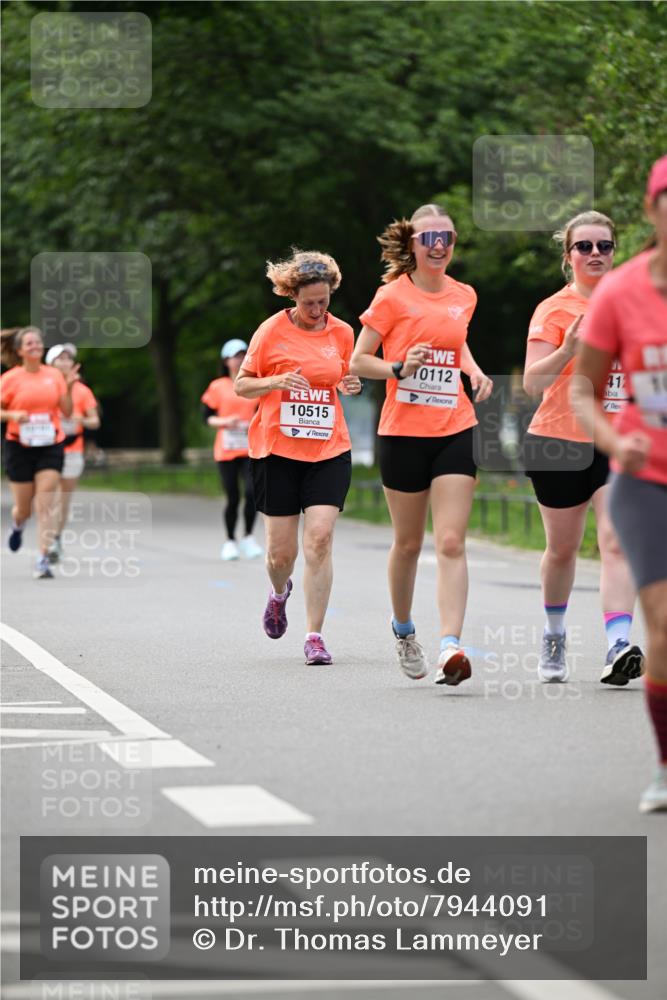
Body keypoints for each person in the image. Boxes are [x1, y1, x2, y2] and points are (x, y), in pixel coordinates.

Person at [350, 204, 493, 685]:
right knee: (409, 543)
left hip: (455, 425)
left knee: (450, 540)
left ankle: (451, 645)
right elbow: (358, 361)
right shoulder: (391, 296)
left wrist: (472, 369)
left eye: (446, 237)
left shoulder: (464, 295)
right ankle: (404, 630)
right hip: (403, 433)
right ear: (413, 243)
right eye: (429, 237)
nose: (438, 246)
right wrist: (397, 368)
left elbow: (455, 340)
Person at [572, 155, 667, 813]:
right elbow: (581, 388)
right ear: (651, 210)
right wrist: (611, 442)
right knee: (661, 619)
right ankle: (664, 765)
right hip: (644, 476)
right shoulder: (621, 291)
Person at [522, 211, 644, 685]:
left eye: (604, 246)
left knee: (617, 541)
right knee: (561, 550)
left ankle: (618, 644)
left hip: (616, 442)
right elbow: (532, 383)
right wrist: (567, 350)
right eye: (585, 246)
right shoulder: (553, 309)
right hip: (558, 442)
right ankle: (554, 634)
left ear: (615, 252)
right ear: (568, 254)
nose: (595, 254)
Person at [235, 250, 361, 665]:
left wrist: (350, 384)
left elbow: (342, 375)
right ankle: (278, 592)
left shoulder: (342, 332)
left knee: (320, 539)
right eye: (309, 302)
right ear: (293, 295)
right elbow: (242, 385)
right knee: (280, 555)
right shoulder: (271, 330)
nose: (317, 310)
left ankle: (315, 636)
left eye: (323, 301)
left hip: (328, 447)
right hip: (277, 451)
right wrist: (276, 381)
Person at [0, 327, 78, 578]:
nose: (35, 346)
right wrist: (12, 415)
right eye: (29, 343)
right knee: (25, 509)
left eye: (38, 342)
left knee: (45, 503)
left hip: (50, 445)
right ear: (20, 350)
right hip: (19, 446)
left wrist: (68, 388)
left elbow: (67, 411)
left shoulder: (54, 375)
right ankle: (18, 524)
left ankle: (43, 559)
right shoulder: (10, 379)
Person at [201, 339, 262, 561]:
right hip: (226, 450)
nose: (240, 359)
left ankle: (248, 537)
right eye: (235, 356)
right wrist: (226, 421)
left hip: (250, 449)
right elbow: (207, 417)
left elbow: (264, 411)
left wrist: (253, 422)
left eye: (243, 355)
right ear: (226, 360)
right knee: (233, 496)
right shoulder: (218, 386)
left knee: (252, 493)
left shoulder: (256, 384)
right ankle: (230, 541)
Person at [45, 343, 100, 563]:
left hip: (72, 449)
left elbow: (95, 421)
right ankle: (47, 538)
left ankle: (56, 538)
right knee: (48, 496)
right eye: (60, 359)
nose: (65, 363)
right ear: (50, 364)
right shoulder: (44, 387)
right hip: (46, 448)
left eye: (68, 359)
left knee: (62, 499)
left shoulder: (82, 391)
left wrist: (81, 419)